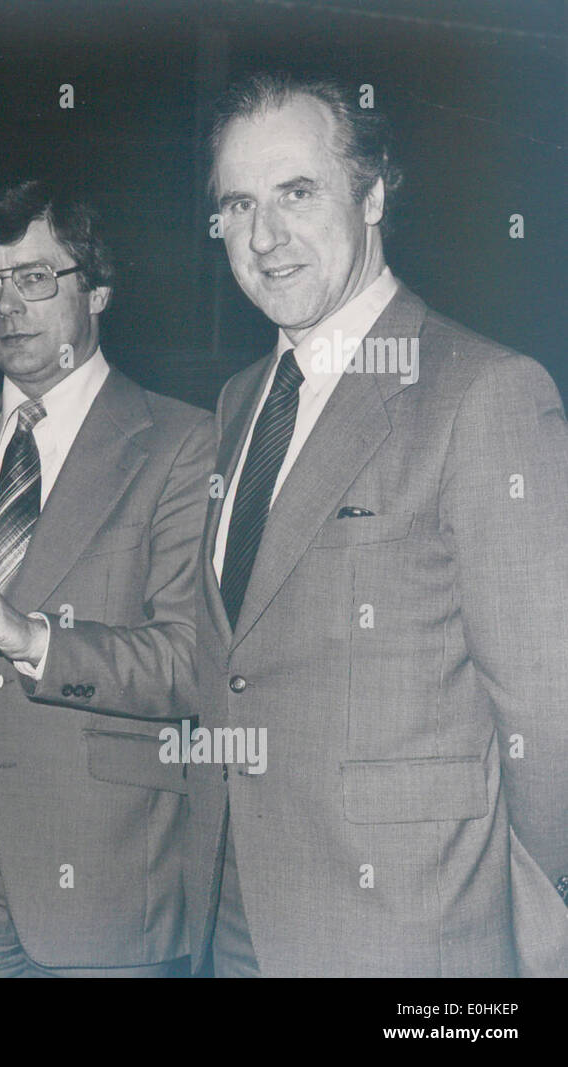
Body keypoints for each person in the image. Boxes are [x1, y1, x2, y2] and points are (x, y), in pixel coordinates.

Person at [187, 71, 568, 976]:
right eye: (237, 204)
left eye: (297, 193)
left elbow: (550, 707)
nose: (264, 235)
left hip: (408, 934)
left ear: (374, 195)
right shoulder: (241, 401)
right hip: (234, 915)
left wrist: (526, 918)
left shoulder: (484, 393)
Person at [0, 179, 213, 977]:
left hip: (110, 885)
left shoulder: (185, 443)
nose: (6, 306)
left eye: (34, 278)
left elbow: (192, 661)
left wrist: (34, 640)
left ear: (98, 291)